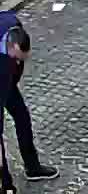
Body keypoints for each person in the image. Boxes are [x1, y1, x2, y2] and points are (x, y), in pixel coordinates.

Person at [0, 14, 56, 182]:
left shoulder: (12, 23)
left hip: (6, 81)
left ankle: (32, 167)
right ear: (9, 46)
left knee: (22, 117)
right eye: (16, 59)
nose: (18, 63)